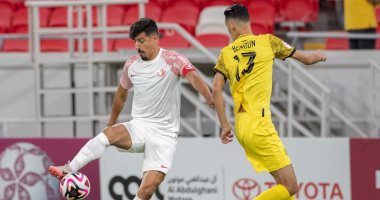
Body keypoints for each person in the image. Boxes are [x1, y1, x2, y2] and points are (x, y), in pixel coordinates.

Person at [49, 18, 213, 200]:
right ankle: (69, 169)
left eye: (141, 41)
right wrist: (111, 122)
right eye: (135, 42)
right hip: (140, 126)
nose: (137, 46)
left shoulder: (172, 59)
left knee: (147, 190)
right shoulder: (131, 64)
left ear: (155, 38)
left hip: (164, 134)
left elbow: (194, 77)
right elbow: (121, 94)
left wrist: (209, 98)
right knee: (107, 135)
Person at [212, 4, 327, 200]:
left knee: (281, 186)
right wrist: (320, 55)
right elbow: (307, 59)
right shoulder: (268, 42)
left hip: (242, 126)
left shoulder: (226, 53)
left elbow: (215, 89)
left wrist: (224, 125)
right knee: (291, 186)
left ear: (231, 25)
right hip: (260, 124)